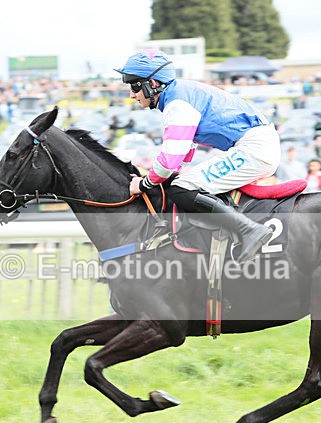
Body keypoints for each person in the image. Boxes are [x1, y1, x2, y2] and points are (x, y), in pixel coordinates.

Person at [117, 49, 278, 263]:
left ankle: (249, 230)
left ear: (153, 83)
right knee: (183, 180)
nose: (132, 94)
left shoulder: (177, 103)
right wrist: (170, 172)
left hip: (255, 148)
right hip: (256, 144)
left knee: (182, 188)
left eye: (134, 85)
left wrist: (144, 184)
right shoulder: (180, 93)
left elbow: (169, 161)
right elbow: (184, 151)